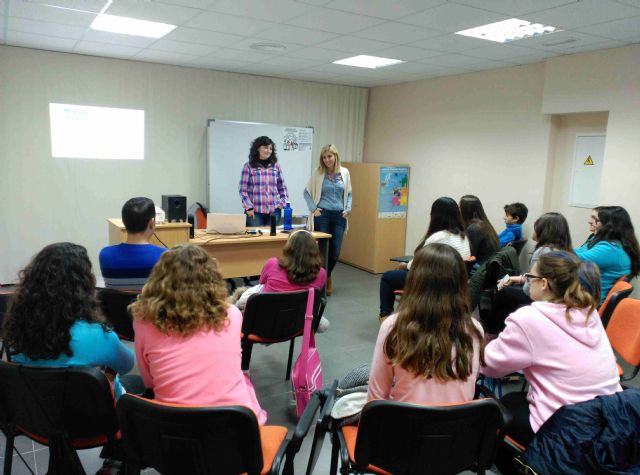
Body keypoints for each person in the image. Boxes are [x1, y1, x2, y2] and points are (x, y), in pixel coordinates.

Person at [481, 252, 621, 472]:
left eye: (530, 276)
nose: (527, 281)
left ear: (544, 284)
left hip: (564, 431)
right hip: (610, 422)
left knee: (501, 409)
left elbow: (489, 367)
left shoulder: (530, 318)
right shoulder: (588, 312)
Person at [130, 244, 267, 425]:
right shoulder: (231, 314)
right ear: (211, 278)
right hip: (236, 431)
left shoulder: (144, 321)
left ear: (158, 280)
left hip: (174, 430)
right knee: (244, 380)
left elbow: (149, 382)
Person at [3, 242, 135, 399]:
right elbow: (128, 365)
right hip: (94, 419)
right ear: (84, 287)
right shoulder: (99, 336)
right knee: (136, 383)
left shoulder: (16, 331)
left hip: (35, 417)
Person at [368, 243, 484, 404]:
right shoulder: (474, 329)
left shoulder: (394, 325)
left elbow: (376, 396)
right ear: (461, 283)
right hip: (459, 426)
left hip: (406, 424)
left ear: (414, 280)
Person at [378, 197, 470, 320]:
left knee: (388, 277)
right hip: (454, 283)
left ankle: (385, 315)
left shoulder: (437, 237)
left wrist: (405, 265)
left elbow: (418, 264)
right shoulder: (463, 237)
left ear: (436, 216)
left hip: (431, 282)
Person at [488, 212, 574, 333]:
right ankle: (500, 331)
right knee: (507, 298)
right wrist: (516, 279)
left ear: (544, 231)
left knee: (503, 293)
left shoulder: (542, 252)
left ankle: (490, 329)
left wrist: (518, 282)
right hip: (557, 299)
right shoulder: (567, 251)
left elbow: (530, 289)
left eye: (536, 227)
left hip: (541, 299)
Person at [231, 229, 329, 331]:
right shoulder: (321, 273)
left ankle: (234, 311)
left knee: (254, 291)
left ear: (288, 247)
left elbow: (262, 282)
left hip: (263, 324)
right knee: (323, 323)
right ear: (315, 249)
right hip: (295, 323)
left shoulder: (272, 263)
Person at [304, 144, 352, 296]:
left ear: (335, 156)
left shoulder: (344, 172)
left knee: (335, 252)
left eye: (329, 156)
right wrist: (313, 209)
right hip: (322, 215)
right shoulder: (318, 173)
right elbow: (306, 192)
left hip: (339, 216)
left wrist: (348, 209)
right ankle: (320, 281)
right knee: (322, 252)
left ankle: (326, 275)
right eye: (324, 157)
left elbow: (349, 193)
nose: (326, 160)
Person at [575, 206, 640, 304]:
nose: (589, 221)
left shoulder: (610, 249)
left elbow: (577, 259)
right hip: (585, 293)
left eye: (594, 219)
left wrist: (557, 246)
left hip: (589, 302)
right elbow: (580, 251)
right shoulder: (602, 241)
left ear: (608, 225)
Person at [99, 197, 166, 291]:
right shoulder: (166, 257)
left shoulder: (105, 255)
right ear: (152, 223)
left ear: (124, 222)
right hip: (150, 306)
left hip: (117, 306)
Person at [239, 136, 289, 227]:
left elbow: (282, 187)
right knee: (257, 239)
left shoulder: (276, 166)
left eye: (270, 148)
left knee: (271, 239)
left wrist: (282, 203)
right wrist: (248, 207)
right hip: (255, 211)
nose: (269, 151)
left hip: (274, 211)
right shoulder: (248, 166)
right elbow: (243, 190)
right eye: (265, 147)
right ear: (258, 148)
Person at [459, 194, 499, 266]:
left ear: (466, 210)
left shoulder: (474, 228)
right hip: (487, 268)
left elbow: (470, 257)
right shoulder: (483, 224)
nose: (459, 210)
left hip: (480, 270)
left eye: (460, 208)